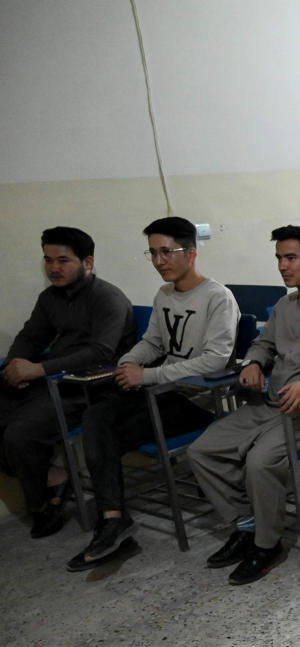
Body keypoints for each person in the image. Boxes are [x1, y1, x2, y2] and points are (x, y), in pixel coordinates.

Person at [187, 224, 300, 585]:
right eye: (279, 258)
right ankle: (247, 523)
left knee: (260, 461)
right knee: (201, 450)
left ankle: (268, 545)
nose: (283, 266)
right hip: (272, 405)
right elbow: (263, 344)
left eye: (291, 258)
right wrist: (253, 362)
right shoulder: (285, 305)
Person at [66, 217, 240, 570]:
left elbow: (215, 360)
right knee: (95, 415)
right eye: (153, 253)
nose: (159, 261)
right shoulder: (164, 295)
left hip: (195, 399)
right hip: (163, 391)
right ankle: (113, 518)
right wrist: (128, 363)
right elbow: (153, 341)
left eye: (166, 252)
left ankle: (112, 518)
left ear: (190, 253)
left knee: (105, 432)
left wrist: (148, 375)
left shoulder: (217, 297)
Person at [1, 227, 135, 538]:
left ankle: (45, 501)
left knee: (20, 435)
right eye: (48, 260)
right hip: (52, 380)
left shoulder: (107, 298)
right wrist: (14, 367)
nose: (54, 268)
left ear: (87, 262)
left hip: (89, 388)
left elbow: (101, 352)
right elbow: (31, 336)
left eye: (63, 260)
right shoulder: (50, 298)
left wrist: (38, 369)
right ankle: (53, 476)